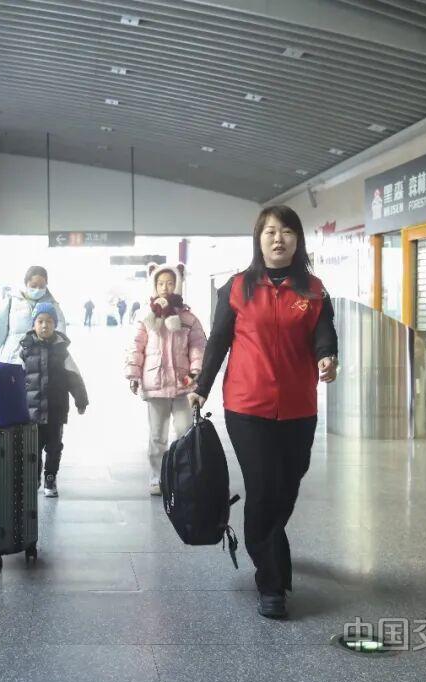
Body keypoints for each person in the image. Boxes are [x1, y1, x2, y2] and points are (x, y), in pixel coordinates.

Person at [190, 205, 338, 620]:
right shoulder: (238, 287)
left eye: (287, 231)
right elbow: (218, 341)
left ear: (298, 240)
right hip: (247, 405)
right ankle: (271, 582)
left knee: (286, 487)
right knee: (263, 486)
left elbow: (324, 333)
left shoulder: (313, 290)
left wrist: (327, 356)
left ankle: (270, 542)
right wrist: (201, 387)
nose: (278, 238)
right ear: (258, 239)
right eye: (270, 231)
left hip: (298, 406)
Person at [125, 263, 206, 495]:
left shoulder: (189, 318)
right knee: (157, 436)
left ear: (178, 285)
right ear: (154, 285)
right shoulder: (146, 317)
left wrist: (196, 371)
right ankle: (157, 477)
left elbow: (199, 346)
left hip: (183, 385)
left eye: (170, 283)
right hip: (156, 384)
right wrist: (133, 374)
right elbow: (136, 347)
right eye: (160, 283)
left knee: (185, 432)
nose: (165, 287)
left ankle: (183, 476)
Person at [19, 303, 88, 498]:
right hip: (32, 410)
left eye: (49, 321)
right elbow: (15, 377)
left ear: (55, 325)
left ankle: (50, 477)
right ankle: (34, 478)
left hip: (56, 410)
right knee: (32, 447)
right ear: (33, 324)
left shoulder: (62, 351)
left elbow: (74, 376)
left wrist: (81, 400)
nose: (44, 325)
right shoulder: (25, 350)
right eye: (40, 321)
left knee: (54, 446)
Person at [0, 265, 66, 363]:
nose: (38, 289)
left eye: (42, 286)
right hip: (12, 362)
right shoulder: (12, 301)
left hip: (41, 364)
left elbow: (60, 335)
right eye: (34, 285)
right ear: (26, 283)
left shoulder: (52, 305)